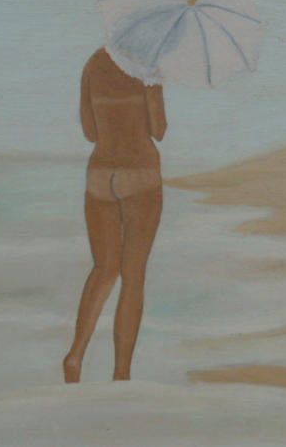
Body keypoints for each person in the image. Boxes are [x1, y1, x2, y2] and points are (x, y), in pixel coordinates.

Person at [64, 47, 166, 383]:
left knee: (104, 268)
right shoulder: (147, 67)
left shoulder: (93, 63)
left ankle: (76, 354)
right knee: (133, 276)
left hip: (100, 173)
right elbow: (159, 129)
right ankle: (121, 373)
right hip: (139, 171)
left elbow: (90, 132)